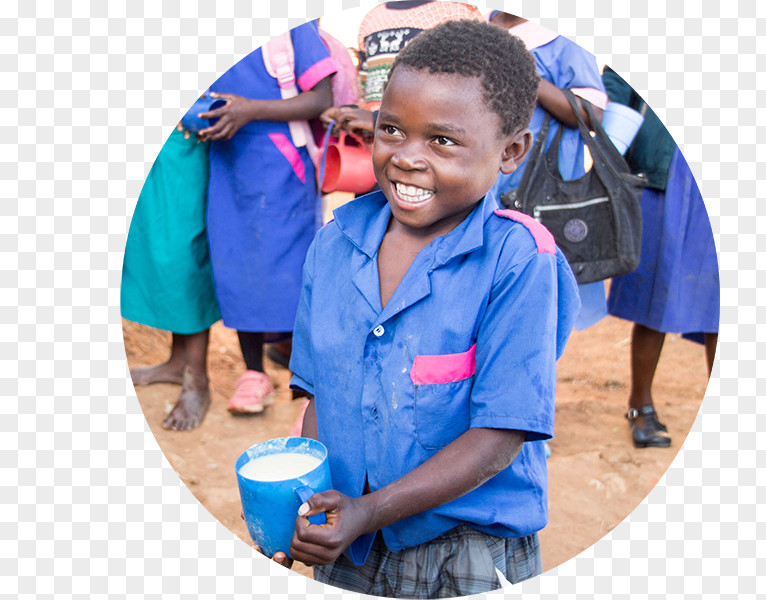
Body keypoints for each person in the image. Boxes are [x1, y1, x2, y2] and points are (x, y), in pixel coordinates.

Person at [259, 20, 581, 597]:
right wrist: (300, 506)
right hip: (352, 543)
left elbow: (500, 435)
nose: (407, 158)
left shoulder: (519, 262)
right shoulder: (334, 244)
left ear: (510, 151)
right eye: (391, 129)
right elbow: (319, 397)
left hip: (466, 552)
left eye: (443, 140)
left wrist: (370, 510)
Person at [195, 21, 337, 414]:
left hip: (282, 165)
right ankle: (254, 373)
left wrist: (250, 110)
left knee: (292, 270)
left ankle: (307, 381)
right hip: (227, 164)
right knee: (238, 266)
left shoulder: (295, 26)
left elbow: (320, 98)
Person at [602, 66, 720, 449]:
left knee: (721, 301)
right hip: (663, 171)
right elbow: (613, 89)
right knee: (657, 291)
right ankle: (641, 403)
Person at [488, 11, 610, 332]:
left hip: (539, 193)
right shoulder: (486, 23)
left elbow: (590, 113)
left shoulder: (564, 37)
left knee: (533, 308)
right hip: (486, 183)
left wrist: (526, 73)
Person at [121, 121, 220, 431]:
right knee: (154, 249)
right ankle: (178, 363)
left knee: (182, 255)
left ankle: (198, 380)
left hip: (188, 139)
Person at [318, 0, 483, 141]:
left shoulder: (457, 14)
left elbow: (467, 102)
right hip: (378, 151)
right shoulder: (373, 19)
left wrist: (378, 121)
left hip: (427, 155)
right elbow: (372, 96)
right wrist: (349, 113)